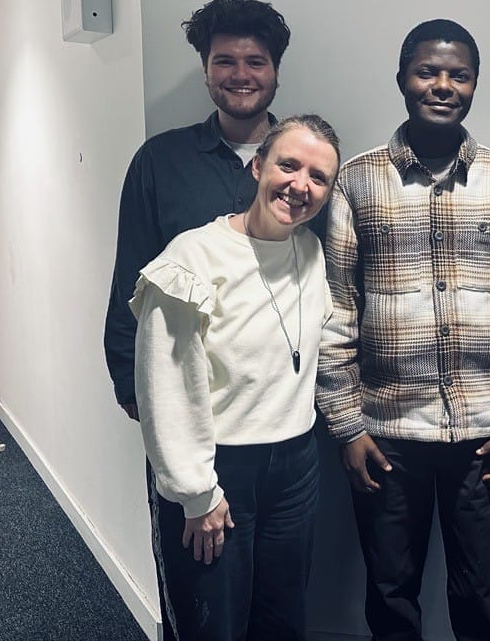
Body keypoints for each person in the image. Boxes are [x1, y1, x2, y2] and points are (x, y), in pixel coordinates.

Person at [316, 19, 490, 641]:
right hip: (386, 433)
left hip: (485, 434)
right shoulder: (358, 180)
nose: (443, 85)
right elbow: (337, 309)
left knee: (485, 600)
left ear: (474, 85)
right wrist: (346, 425)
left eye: (459, 75)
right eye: (427, 71)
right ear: (402, 79)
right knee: (390, 594)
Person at [130, 115, 341, 640]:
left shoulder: (310, 251)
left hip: (296, 466)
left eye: (318, 177)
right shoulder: (191, 258)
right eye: (288, 166)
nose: (300, 185)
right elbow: (165, 388)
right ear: (257, 167)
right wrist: (197, 492)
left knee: (282, 620)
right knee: (213, 624)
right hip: (219, 468)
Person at [104, 0, 294, 421]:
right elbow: (131, 271)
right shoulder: (160, 160)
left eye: (256, 62)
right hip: (183, 388)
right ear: (206, 71)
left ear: (276, 72)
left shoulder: (305, 166)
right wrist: (128, 376)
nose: (240, 75)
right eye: (224, 61)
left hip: (284, 396)